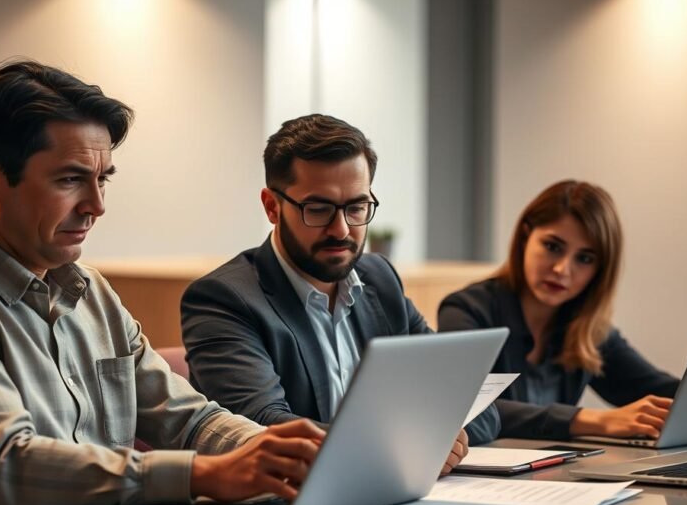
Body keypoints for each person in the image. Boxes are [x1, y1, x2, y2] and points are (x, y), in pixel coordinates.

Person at [0, 60, 325, 505]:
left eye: (103, 178)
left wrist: (299, 456)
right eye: (70, 180)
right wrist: (206, 475)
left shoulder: (92, 293)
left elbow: (188, 420)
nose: (97, 205)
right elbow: (9, 466)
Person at [180, 114, 499, 468]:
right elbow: (265, 427)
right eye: (318, 209)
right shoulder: (223, 299)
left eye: (357, 207)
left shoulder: (379, 279)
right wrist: (405, 444)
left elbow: (473, 405)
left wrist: (438, 435)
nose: (341, 229)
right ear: (272, 207)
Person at [438, 180, 679, 440]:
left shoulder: (588, 330)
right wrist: (592, 419)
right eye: (553, 247)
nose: (562, 269)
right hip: (486, 479)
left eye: (584, 258)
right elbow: (466, 407)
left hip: (560, 476)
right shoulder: (466, 311)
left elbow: (659, 390)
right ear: (524, 237)